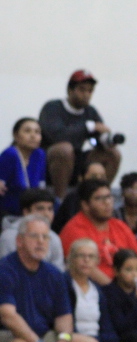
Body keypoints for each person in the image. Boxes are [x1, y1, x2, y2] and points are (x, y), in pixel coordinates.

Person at [38, 69, 121, 199]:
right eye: (82, 90)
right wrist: (89, 126)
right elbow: (58, 136)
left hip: (77, 160)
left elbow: (97, 140)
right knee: (65, 149)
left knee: (113, 154)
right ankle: (61, 200)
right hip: (51, 162)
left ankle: (99, 195)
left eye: (90, 91)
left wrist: (107, 141)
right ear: (70, 90)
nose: (87, 94)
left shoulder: (90, 111)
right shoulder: (53, 107)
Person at [59, 179, 137, 285]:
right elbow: (88, 269)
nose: (107, 202)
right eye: (99, 198)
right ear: (85, 205)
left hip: (126, 288)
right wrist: (116, 292)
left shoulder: (119, 225)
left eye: (108, 197)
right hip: (96, 290)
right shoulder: (74, 229)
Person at [0, 189, 64, 271]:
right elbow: (4, 270)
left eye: (50, 209)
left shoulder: (54, 238)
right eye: (40, 209)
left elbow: (58, 274)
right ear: (26, 212)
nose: (46, 214)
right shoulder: (9, 237)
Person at [0, 118, 45, 218]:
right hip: (8, 211)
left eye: (37, 132)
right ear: (16, 136)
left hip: (32, 210)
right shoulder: (10, 154)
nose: (33, 135)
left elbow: (41, 186)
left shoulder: (39, 154)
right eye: (27, 131)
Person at [51, 159, 107, 233]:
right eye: (94, 176)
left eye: (102, 177)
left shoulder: (107, 199)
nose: (98, 180)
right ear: (81, 178)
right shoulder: (72, 199)